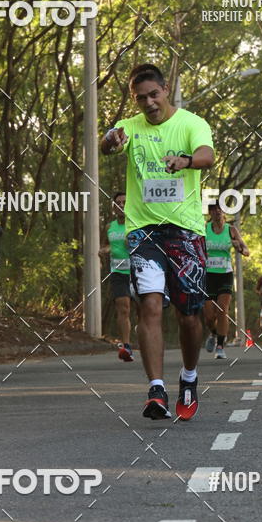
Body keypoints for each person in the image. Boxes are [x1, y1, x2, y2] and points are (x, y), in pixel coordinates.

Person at [100, 63, 214, 420]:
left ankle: (190, 377)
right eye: (140, 98)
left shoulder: (192, 123)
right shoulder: (130, 128)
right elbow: (108, 144)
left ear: (166, 91)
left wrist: (186, 161)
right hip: (143, 231)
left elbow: (208, 156)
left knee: (189, 315)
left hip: (185, 231)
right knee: (149, 305)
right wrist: (110, 141)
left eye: (154, 94)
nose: (149, 103)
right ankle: (156, 390)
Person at [203, 201, 249, 358]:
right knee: (209, 316)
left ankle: (221, 346)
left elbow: (246, 251)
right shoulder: (204, 229)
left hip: (225, 274)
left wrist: (239, 247)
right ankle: (214, 333)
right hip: (208, 275)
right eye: (213, 210)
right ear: (210, 213)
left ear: (223, 212)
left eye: (219, 209)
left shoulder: (231, 230)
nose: (216, 212)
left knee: (223, 309)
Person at [99, 192, 136, 361]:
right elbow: (105, 245)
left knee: (143, 310)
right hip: (118, 271)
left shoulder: (135, 224)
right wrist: (103, 251)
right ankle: (126, 345)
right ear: (114, 207)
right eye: (118, 203)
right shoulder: (109, 227)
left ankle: (144, 339)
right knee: (123, 307)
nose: (121, 205)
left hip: (137, 272)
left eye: (124, 202)